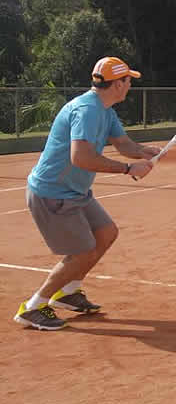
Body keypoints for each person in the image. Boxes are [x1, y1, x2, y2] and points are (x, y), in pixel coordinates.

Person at [13, 57, 160, 330]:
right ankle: (33, 306)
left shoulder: (106, 110)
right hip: (53, 193)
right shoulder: (87, 110)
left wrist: (143, 150)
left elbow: (124, 143)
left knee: (106, 233)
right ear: (117, 84)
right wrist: (128, 168)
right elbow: (80, 157)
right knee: (82, 252)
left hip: (75, 192)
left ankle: (68, 292)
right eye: (128, 80)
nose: (130, 85)